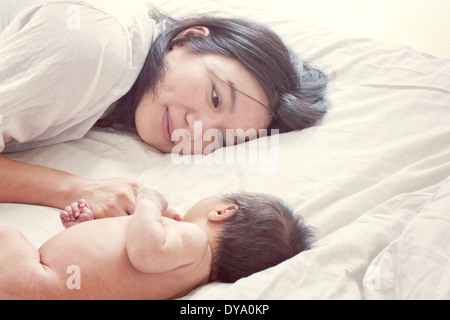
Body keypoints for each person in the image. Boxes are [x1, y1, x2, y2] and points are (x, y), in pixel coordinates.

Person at [0, 0, 329, 219]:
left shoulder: (127, 88)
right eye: (215, 97)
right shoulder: (97, 48)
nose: (197, 130)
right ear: (188, 38)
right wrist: (72, 189)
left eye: (223, 138)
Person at [0, 187, 315, 299]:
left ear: (222, 212)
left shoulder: (193, 240)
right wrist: (83, 229)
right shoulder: (185, 278)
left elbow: (144, 254)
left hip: (34, 280)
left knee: (8, 235)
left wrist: (148, 203)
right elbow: (114, 270)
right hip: (45, 283)